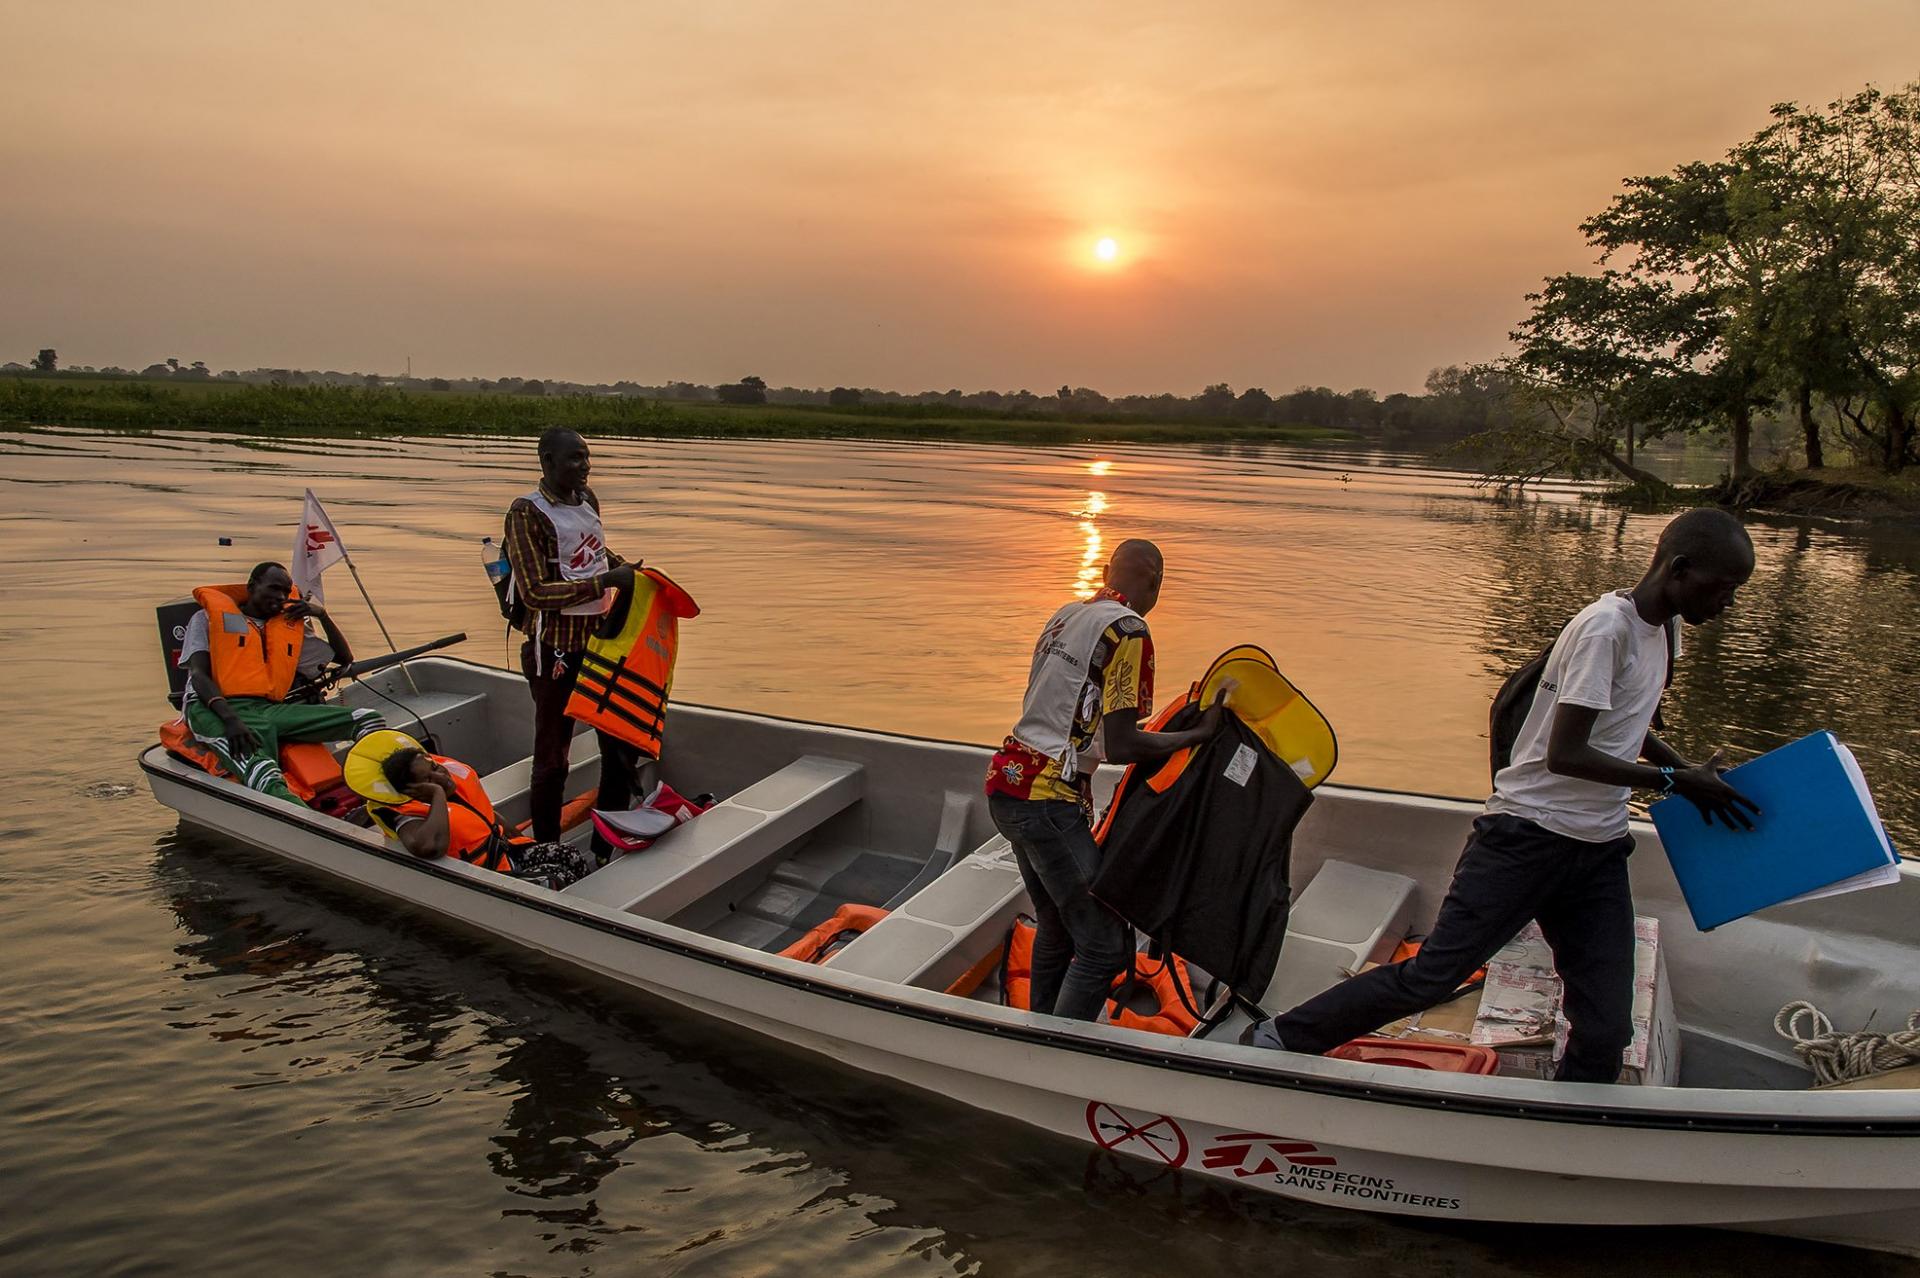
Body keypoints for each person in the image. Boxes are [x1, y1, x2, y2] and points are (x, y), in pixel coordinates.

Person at [1245, 507, 1760, 1082]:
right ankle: (1279, 1037)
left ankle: (1566, 1130)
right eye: (1723, 588)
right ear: (1680, 568)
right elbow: (1565, 753)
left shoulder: (1666, 628)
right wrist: (1673, 783)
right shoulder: (1605, 629)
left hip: (1597, 851)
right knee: (1433, 976)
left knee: (1607, 1025)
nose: (1728, 603)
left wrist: (1688, 774)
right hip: (1526, 838)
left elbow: (1629, 727)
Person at [985, 539, 1226, 1021]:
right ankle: (1059, 1052)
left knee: (1055, 923)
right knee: (1104, 945)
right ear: (1155, 582)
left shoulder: (1069, 613)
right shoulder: (1130, 630)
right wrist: (1198, 734)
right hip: (1048, 801)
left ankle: (1040, 1027)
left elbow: (1074, 718)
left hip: (1009, 784)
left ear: (1105, 569)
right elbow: (1121, 746)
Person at [502, 427, 643, 853]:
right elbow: (534, 592)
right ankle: (549, 849)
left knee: (619, 749)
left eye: (586, 458)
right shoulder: (527, 513)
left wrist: (628, 572)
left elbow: (594, 553)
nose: (583, 467)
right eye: (573, 460)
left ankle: (605, 843)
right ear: (547, 462)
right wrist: (604, 582)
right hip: (555, 652)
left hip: (600, 645)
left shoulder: (587, 500)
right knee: (552, 761)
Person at [180, 561, 386, 805]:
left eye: (286, 592)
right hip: (211, 708)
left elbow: (344, 658)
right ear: (252, 586)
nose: (280, 597)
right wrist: (230, 720)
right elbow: (199, 675)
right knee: (263, 772)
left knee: (367, 718)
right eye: (274, 588)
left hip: (266, 708)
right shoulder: (207, 619)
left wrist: (321, 614)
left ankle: (386, 790)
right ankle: (314, 830)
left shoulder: (288, 626)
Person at [344, 731, 597, 890]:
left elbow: (485, 816)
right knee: (556, 876)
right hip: (481, 874)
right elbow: (428, 848)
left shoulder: (449, 780)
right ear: (412, 789)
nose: (439, 774)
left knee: (568, 854)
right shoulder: (404, 813)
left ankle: (588, 906)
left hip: (505, 853)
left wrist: (521, 841)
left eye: (434, 766)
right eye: (428, 777)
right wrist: (437, 795)